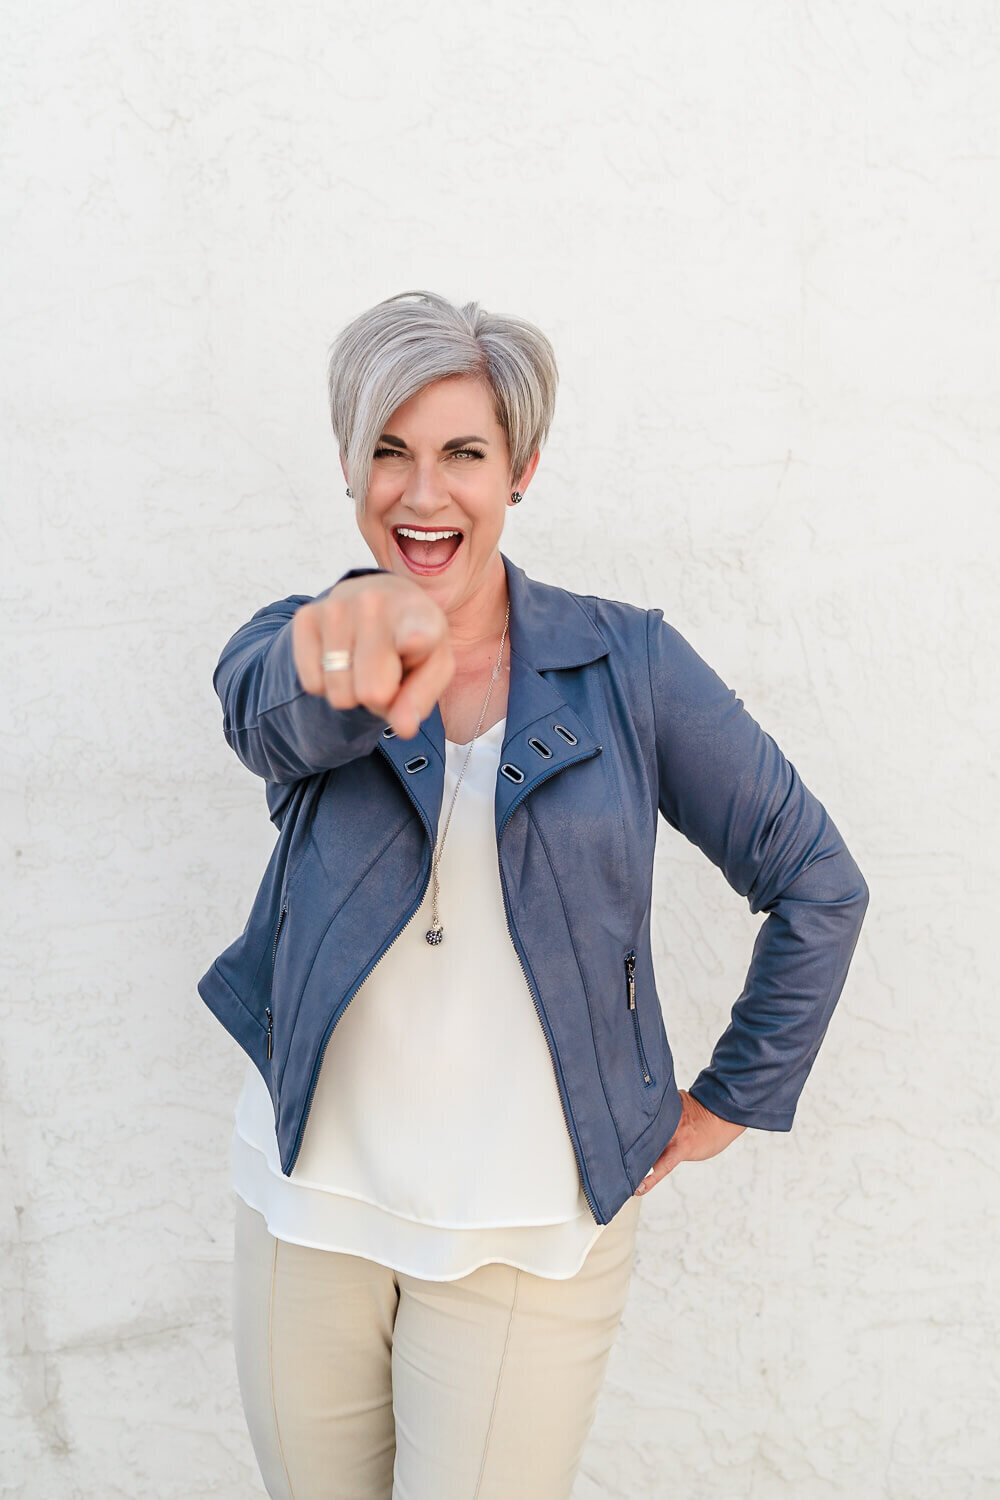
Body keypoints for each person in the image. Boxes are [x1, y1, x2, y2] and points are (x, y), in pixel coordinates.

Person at [197, 289, 869, 1500]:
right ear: (348, 466)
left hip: (530, 1233)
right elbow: (267, 718)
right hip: (307, 1210)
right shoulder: (310, 638)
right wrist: (355, 639)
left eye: (464, 453)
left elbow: (817, 881)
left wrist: (727, 1100)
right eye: (388, 452)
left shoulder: (629, 665)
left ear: (523, 470)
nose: (421, 493)